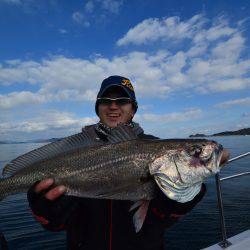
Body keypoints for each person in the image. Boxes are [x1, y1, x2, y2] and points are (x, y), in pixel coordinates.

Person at [27, 75, 229, 250]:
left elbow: (166, 219)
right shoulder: (76, 151)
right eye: (106, 101)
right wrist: (46, 210)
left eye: (122, 101)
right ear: (98, 109)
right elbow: (54, 225)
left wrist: (180, 201)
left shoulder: (157, 147)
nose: (113, 106)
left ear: (133, 109)